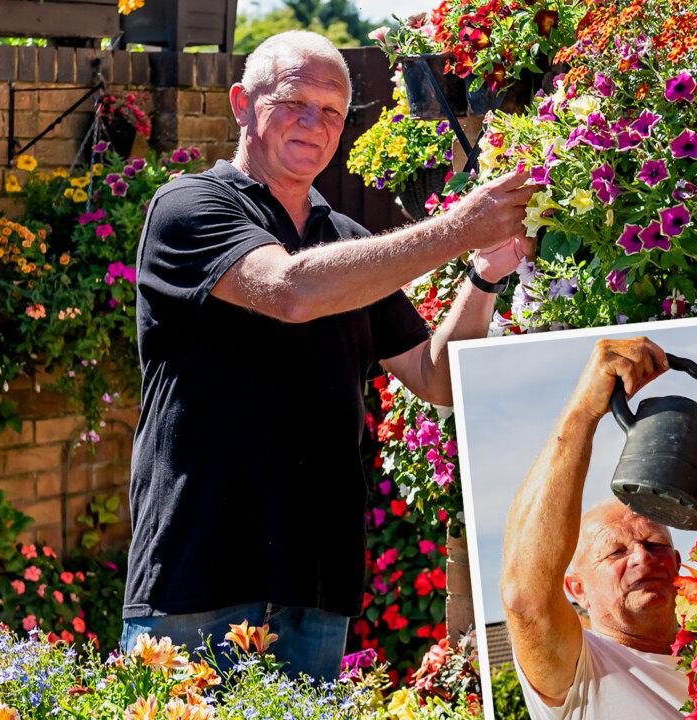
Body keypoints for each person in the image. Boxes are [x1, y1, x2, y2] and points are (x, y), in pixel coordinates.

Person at [120, 30, 536, 680]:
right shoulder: (188, 208)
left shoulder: (345, 241)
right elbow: (290, 291)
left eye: (332, 112)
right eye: (294, 102)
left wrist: (484, 275)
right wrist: (459, 227)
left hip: (315, 586)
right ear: (242, 103)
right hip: (196, 580)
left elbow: (434, 378)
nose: (313, 124)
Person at [500, 337, 689, 719]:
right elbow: (525, 598)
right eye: (616, 552)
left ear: (678, 564)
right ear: (578, 589)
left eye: (655, 544)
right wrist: (585, 410)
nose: (641, 557)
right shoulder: (578, 671)